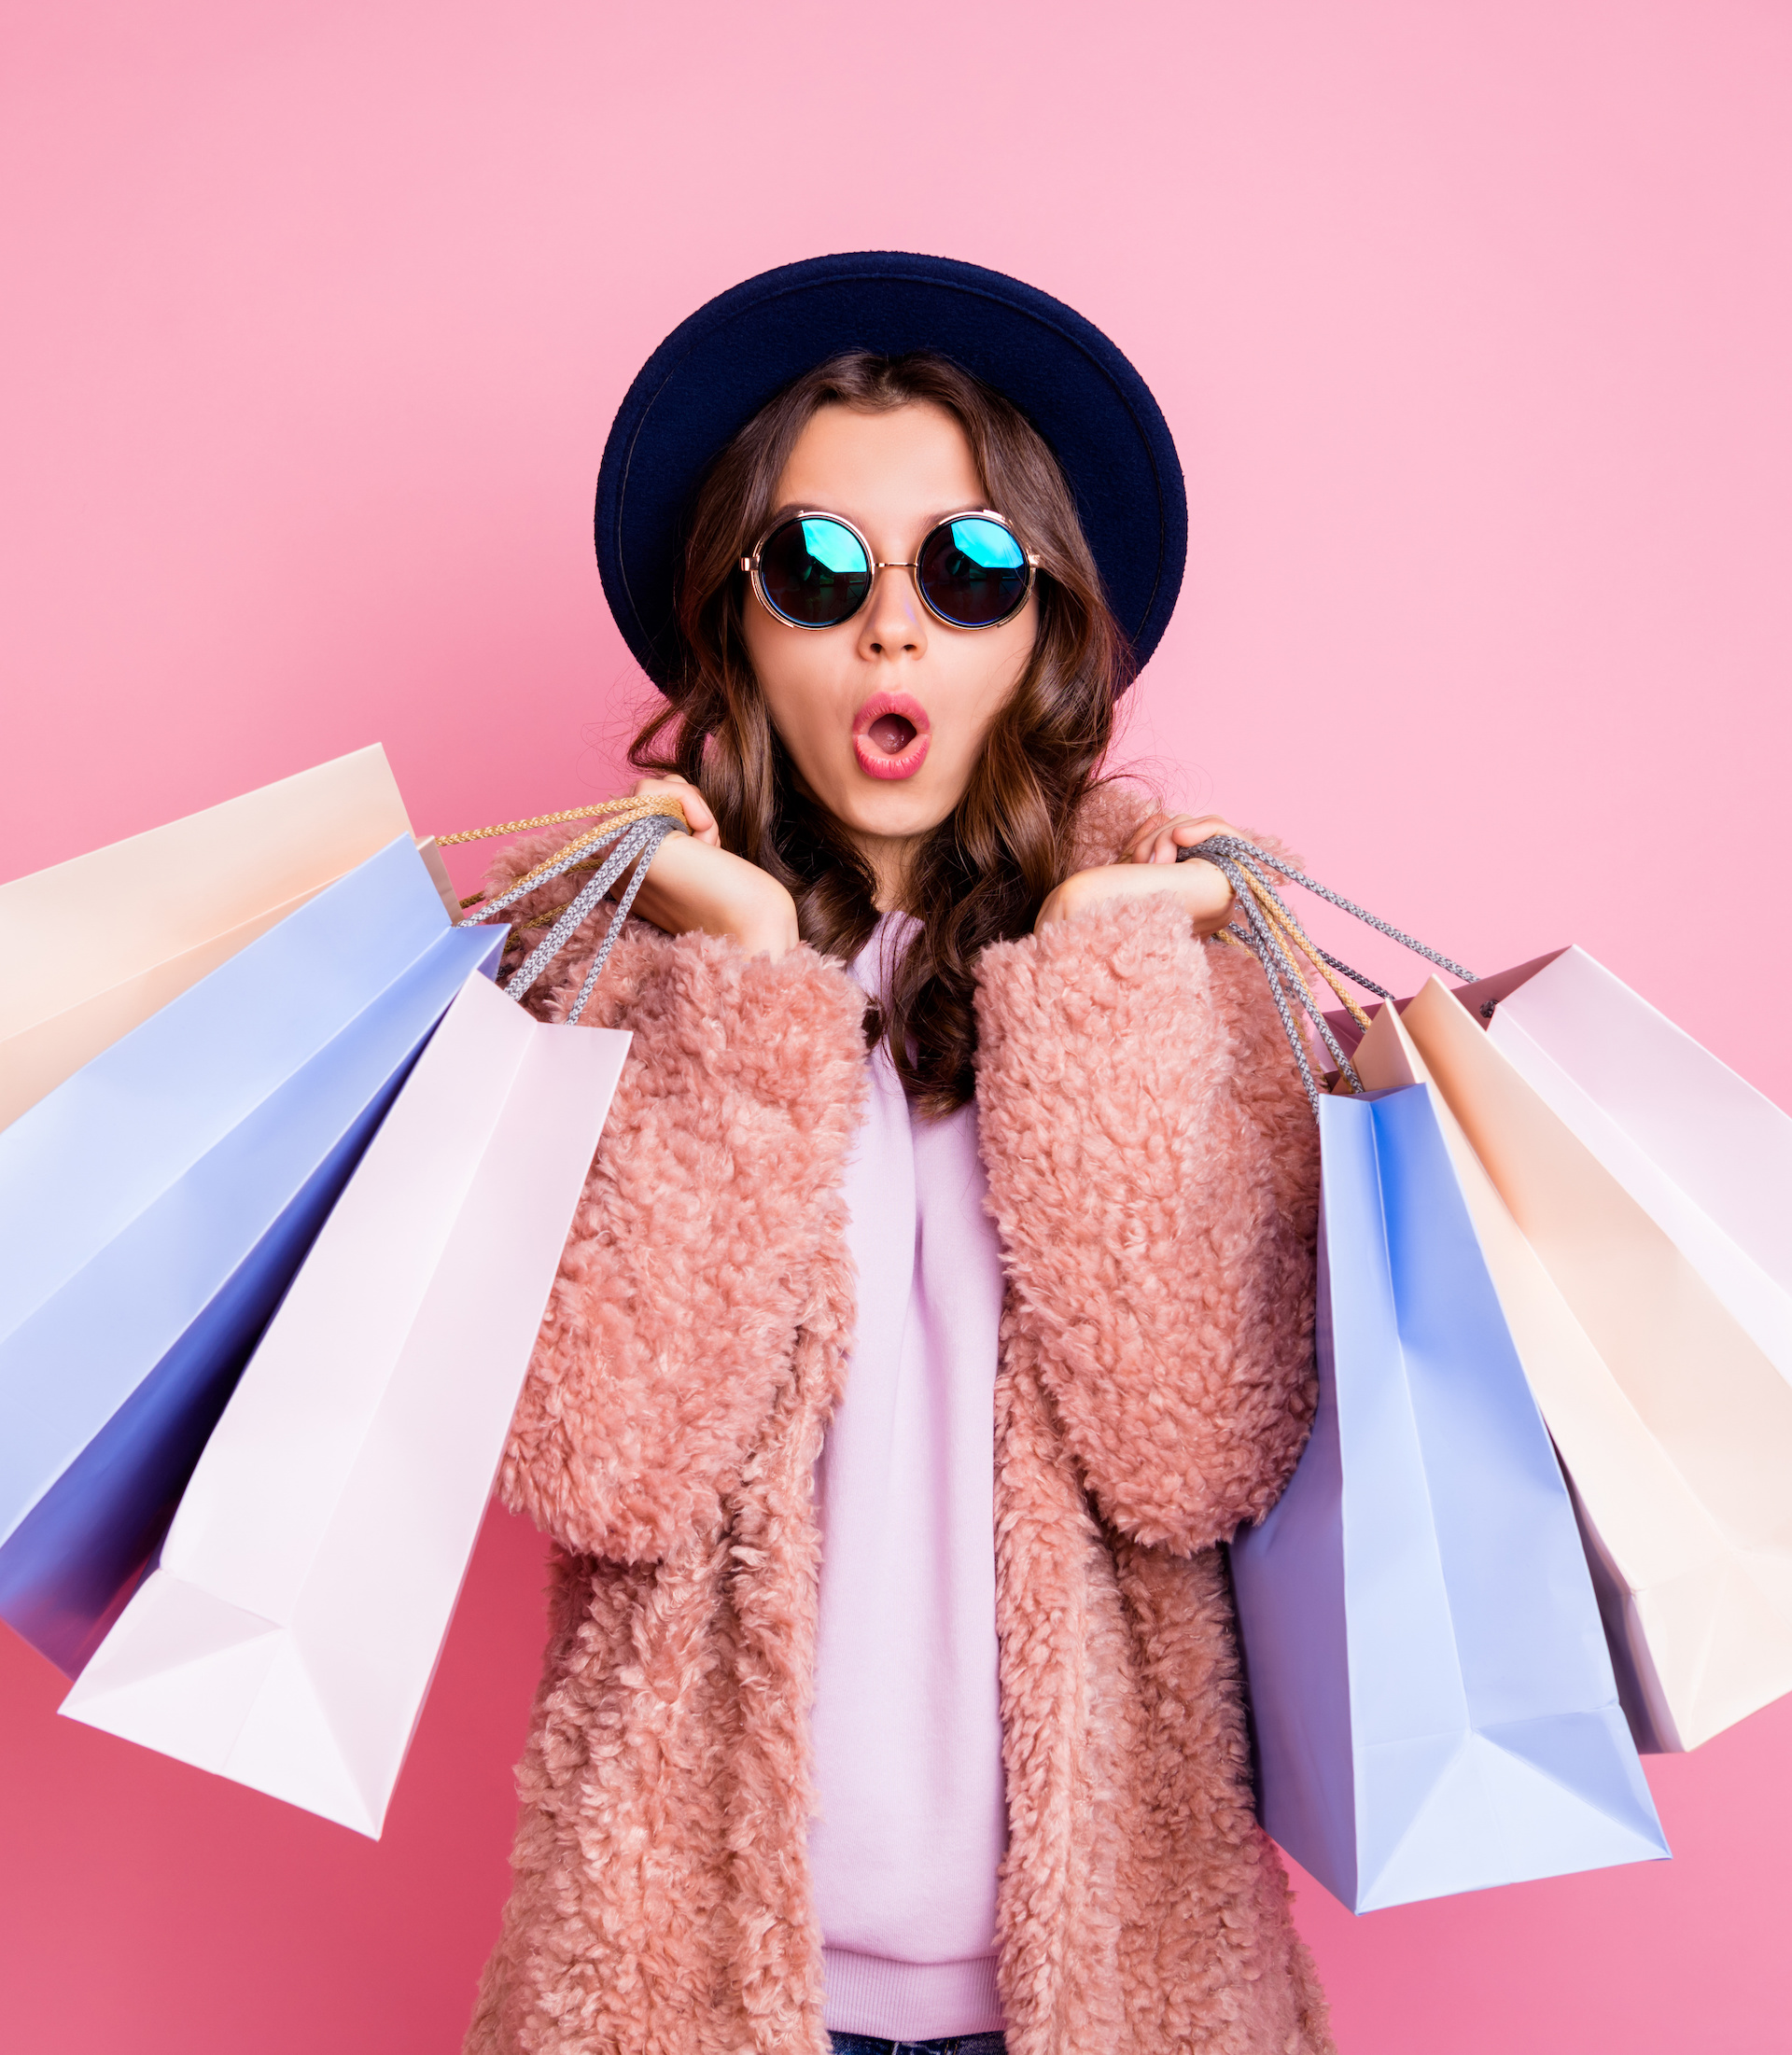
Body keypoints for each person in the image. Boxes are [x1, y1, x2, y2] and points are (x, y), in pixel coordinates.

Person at [464, 255, 1334, 2055]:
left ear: (1044, 625)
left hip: (1102, 1991)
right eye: (819, 568)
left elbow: (1194, 1451)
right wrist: (744, 989)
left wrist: (1100, 974)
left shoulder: (1178, 961)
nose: (893, 631)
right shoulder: (602, 982)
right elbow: (603, 1464)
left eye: (969, 568)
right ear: (737, 622)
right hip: (689, 1988)